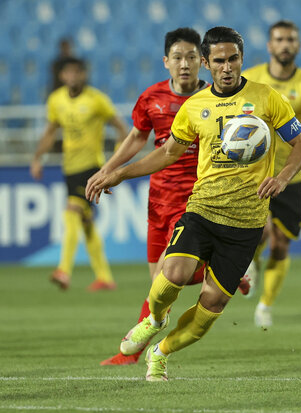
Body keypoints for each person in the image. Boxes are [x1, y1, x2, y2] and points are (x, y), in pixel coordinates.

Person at [85, 26, 301, 382]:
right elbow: (168, 153)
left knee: (211, 307)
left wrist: (281, 179)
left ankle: (160, 354)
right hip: (203, 209)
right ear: (207, 63)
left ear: (242, 58)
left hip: (246, 223)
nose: (226, 67)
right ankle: (154, 320)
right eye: (218, 60)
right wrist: (120, 173)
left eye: (233, 59)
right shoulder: (195, 106)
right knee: (169, 274)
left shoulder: (267, 98)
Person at [94, 27, 215, 366]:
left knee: (167, 270)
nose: (185, 63)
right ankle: (217, 269)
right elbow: (136, 137)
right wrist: (107, 169)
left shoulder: (211, 101)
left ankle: (129, 353)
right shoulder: (152, 98)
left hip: (194, 199)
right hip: (158, 198)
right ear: (166, 61)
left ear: (202, 61)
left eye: (192, 57)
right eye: (178, 57)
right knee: (158, 285)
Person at [242, 20, 301, 328]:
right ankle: (251, 261)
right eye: (279, 39)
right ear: (269, 45)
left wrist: (295, 140)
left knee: (280, 245)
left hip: (292, 177)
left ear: (298, 45)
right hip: (255, 175)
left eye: (290, 39)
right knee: (261, 232)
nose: (285, 44)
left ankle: (265, 304)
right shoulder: (250, 79)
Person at [31, 57, 128, 292]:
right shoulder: (56, 100)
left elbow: (122, 130)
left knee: (72, 210)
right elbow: (50, 131)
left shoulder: (97, 100)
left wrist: (114, 162)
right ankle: (104, 277)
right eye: (69, 73)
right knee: (85, 222)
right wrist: (37, 158)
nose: (73, 77)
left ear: (83, 75)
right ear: (63, 76)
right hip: (69, 168)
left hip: (91, 169)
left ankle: (64, 270)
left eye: (77, 72)